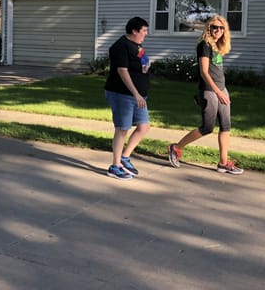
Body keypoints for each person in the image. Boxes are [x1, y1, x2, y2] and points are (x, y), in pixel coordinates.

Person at [168, 15, 243, 174]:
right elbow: (203, 72)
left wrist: (222, 90)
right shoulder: (205, 45)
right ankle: (176, 147)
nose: (218, 30)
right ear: (208, 28)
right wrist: (217, 91)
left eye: (221, 28)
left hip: (222, 90)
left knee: (226, 126)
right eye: (214, 27)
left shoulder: (217, 45)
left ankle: (223, 162)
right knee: (207, 127)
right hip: (209, 91)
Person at [104, 17, 151, 180]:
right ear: (134, 31)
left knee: (144, 126)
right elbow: (122, 71)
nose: (146, 33)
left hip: (139, 95)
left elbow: (144, 64)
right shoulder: (121, 46)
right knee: (122, 128)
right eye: (144, 31)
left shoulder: (137, 45)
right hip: (122, 94)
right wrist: (136, 93)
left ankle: (124, 157)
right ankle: (115, 166)